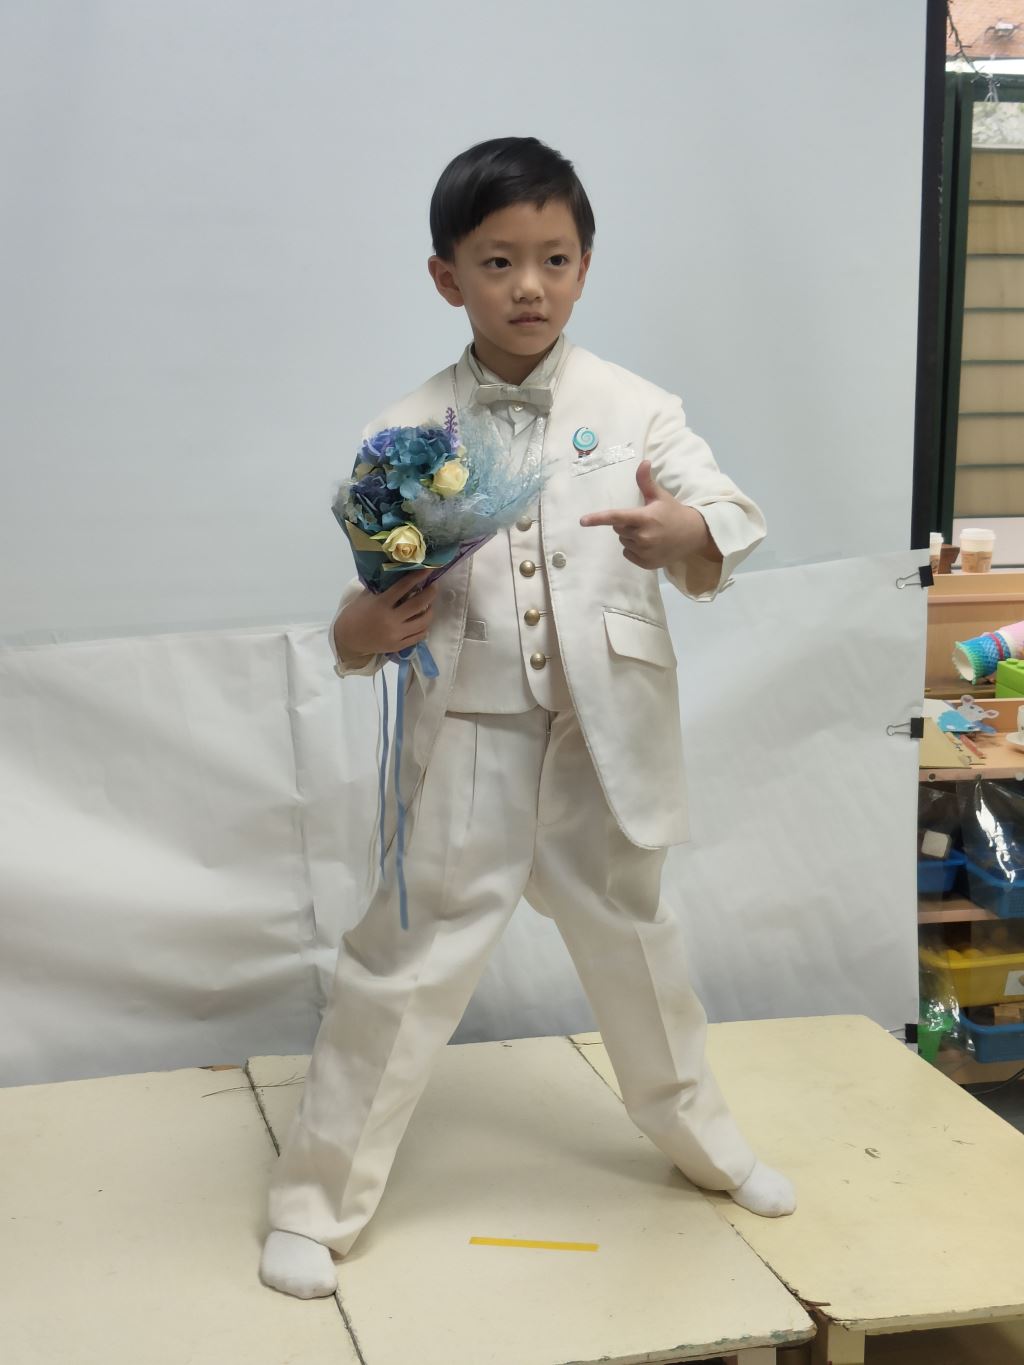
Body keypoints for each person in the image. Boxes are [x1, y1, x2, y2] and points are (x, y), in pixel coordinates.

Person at [260, 135, 795, 1301]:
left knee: (638, 947)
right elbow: (365, 600)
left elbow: (727, 508)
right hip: (468, 732)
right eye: (497, 261)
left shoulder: (638, 409)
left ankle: (702, 1142)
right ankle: (315, 1201)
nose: (528, 286)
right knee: (404, 964)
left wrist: (686, 532)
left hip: (604, 735)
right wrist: (362, 632)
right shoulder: (406, 433)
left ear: (586, 265)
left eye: (554, 258)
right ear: (446, 276)